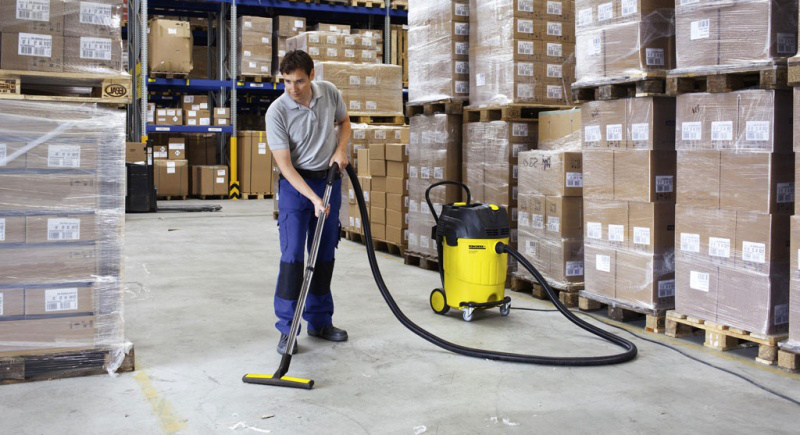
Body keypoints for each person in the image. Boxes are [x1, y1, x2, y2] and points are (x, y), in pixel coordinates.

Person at [265, 50, 351, 355]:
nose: (293, 88)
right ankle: (287, 329)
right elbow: (285, 166)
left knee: (324, 254)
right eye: (287, 81)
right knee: (292, 257)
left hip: (328, 181)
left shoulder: (329, 93)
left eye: (299, 81)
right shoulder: (277, 112)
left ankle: (320, 321)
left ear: (312, 75)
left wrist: (340, 150)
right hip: (295, 186)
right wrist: (313, 198)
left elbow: (345, 122)